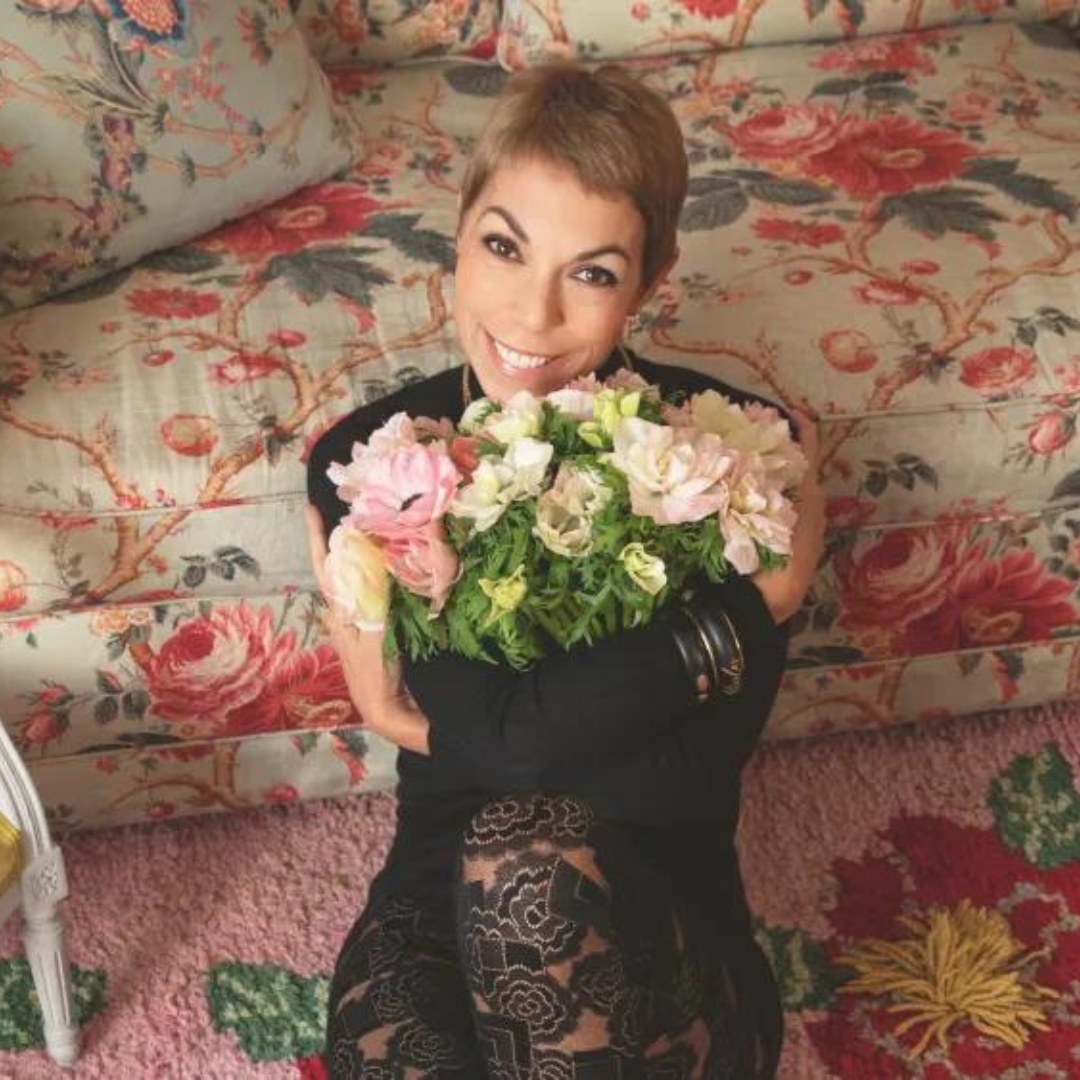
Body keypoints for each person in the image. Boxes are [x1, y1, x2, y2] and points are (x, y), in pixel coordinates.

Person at [306, 61, 825, 1079]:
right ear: (456, 235)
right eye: (503, 246)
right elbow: (505, 741)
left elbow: (686, 769)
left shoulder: (730, 455)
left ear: (648, 281)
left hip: (665, 921)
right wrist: (747, 611)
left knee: (527, 858)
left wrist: (427, 722)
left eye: (591, 271)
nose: (532, 315)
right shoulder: (379, 458)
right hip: (431, 889)